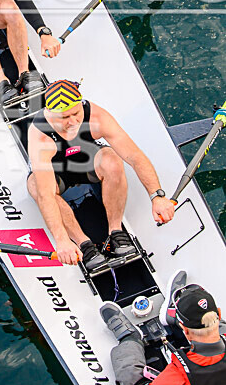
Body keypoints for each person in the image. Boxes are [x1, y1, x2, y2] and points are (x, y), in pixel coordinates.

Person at [27, 79, 175, 270]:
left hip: (88, 165)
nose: (73, 122)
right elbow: (46, 195)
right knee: (36, 186)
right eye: (64, 118)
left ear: (81, 105)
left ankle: (116, 232)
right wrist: (62, 240)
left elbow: (134, 155)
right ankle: (83, 244)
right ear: (51, 114)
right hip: (57, 176)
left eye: (76, 114)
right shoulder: (40, 134)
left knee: (112, 160)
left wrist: (157, 196)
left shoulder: (96, 116)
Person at [101, 275, 226, 385]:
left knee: (134, 384)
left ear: (184, 329)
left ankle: (130, 339)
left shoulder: (177, 379)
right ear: (218, 313)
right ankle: (175, 315)